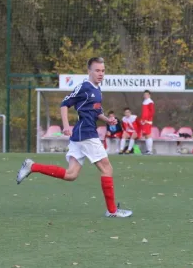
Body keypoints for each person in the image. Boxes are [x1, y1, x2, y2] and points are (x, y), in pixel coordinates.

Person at [15, 57, 132, 218]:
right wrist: (65, 126)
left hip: (81, 135)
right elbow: (64, 104)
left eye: (103, 71)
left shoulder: (97, 89)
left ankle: (32, 166)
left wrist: (107, 119)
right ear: (89, 71)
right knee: (107, 169)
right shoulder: (84, 87)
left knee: (71, 174)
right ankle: (112, 211)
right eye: (97, 70)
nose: (101, 74)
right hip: (86, 134)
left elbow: (96, 111)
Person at [140, 90, 155, 155]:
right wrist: (142, 119)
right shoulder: (144, 102)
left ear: (149, 95)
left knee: (148, 134)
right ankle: (148, 150)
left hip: (147, 121)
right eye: (144, 94)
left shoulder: (150, 102)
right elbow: (144, 113)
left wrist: (147, 119)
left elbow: (152, 112)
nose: (145, 95)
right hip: (144, 121)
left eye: (146, 94)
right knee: (146, 135)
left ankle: (150, 150)